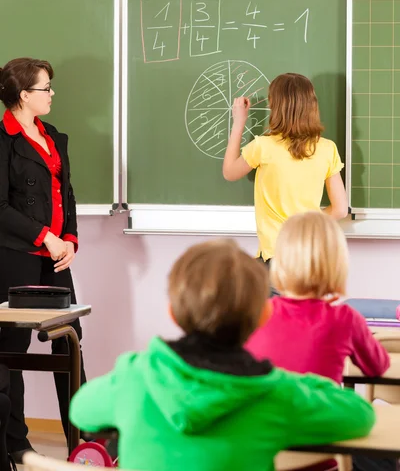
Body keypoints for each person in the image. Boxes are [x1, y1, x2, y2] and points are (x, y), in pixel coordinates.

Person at [70, 239, 374, 471]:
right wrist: (295, 380)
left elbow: (81, 411)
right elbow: (360, 416)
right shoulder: (277, 394)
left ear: (172, 313)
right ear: (263, 316)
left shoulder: (136, 375)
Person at [245, 211, 391, 471]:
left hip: (262, 450)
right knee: (379, 452)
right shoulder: (345, 318)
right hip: (321, 454)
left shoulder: (256, 314)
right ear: (337, 263)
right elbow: (377, 368)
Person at [0, 57, 86, 462]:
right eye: (45, 88)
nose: (51, 94)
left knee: (69, 346)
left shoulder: (53, 136)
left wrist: (68, 238)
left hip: (56, 258)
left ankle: (82, 444)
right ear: (23, 96)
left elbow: (65, 194)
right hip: (16, 257)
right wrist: (44, 237)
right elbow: (0, 207)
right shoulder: (2, 139)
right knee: (10, 351)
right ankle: (15, 443)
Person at [222, 73, 348, 291]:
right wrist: (304, 224)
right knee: (305, 320)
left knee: (272, 322)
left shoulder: (263, 146)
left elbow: (229, 172)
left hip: (275, 257)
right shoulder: (327, 149)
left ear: (275, 107)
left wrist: (239, 122)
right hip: (309, 256)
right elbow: (340, 209)